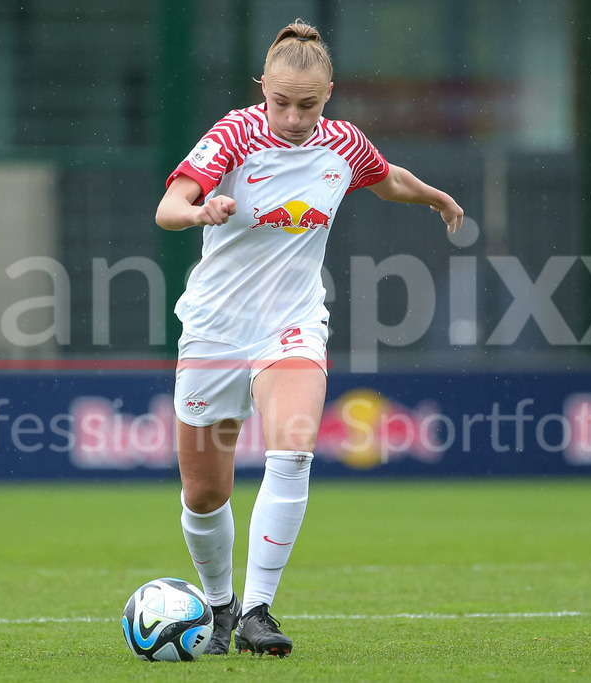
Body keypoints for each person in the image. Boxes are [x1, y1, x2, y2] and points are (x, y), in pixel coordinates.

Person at [155, 19, 463, 658]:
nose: (293, 117)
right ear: (260, 88)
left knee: (293, 447)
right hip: (215, 328)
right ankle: (219, 608)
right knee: (204, 492)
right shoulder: (235, 136)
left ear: (330, 95)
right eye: (281, 102)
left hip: (291, 321)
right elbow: (170, 206)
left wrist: (433, 196)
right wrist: (200, 211)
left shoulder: (343, 145)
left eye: (308, 104)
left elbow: (388, 178)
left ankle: (259, 611)